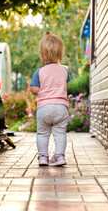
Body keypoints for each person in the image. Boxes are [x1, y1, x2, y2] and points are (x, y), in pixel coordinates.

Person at [30, 31, 71, 166]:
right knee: (60, 133)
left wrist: (41, 90)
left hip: (44, 108)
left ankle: (43, 157)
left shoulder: (39, 72)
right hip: (61, 107)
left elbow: (34, 90)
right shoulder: (64, 70)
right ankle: (59, 157)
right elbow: (65, 86)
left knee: (42, 133)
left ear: (42, 55)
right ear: (60, 54)